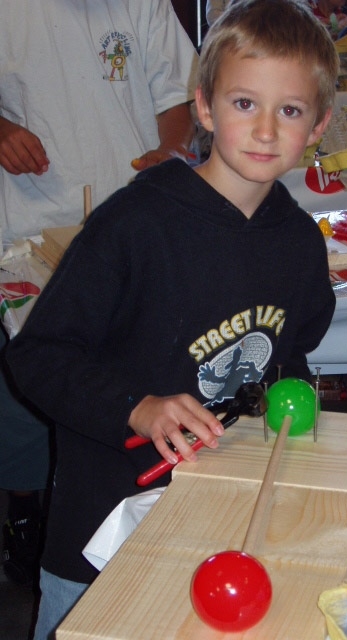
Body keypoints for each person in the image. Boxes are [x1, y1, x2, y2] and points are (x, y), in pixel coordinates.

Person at [5, 0, 337, 636]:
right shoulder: (135, 225)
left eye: (290, 110)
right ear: (204, 108)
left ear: (318, 123)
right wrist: (136, 407)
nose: (266, 130)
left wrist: (292, 398)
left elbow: (289, 351)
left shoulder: (299, 243)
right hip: (103, 530)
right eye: (245, 103)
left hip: (222, 515)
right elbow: (39, 357)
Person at [0, 0, 198, 588]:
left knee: (129, 367)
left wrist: (171, 153)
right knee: (34, 368)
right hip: (32, 223)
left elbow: (176, 96)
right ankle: (27, 510)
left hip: (133, 212)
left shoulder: (143, 4)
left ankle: (131, 510)